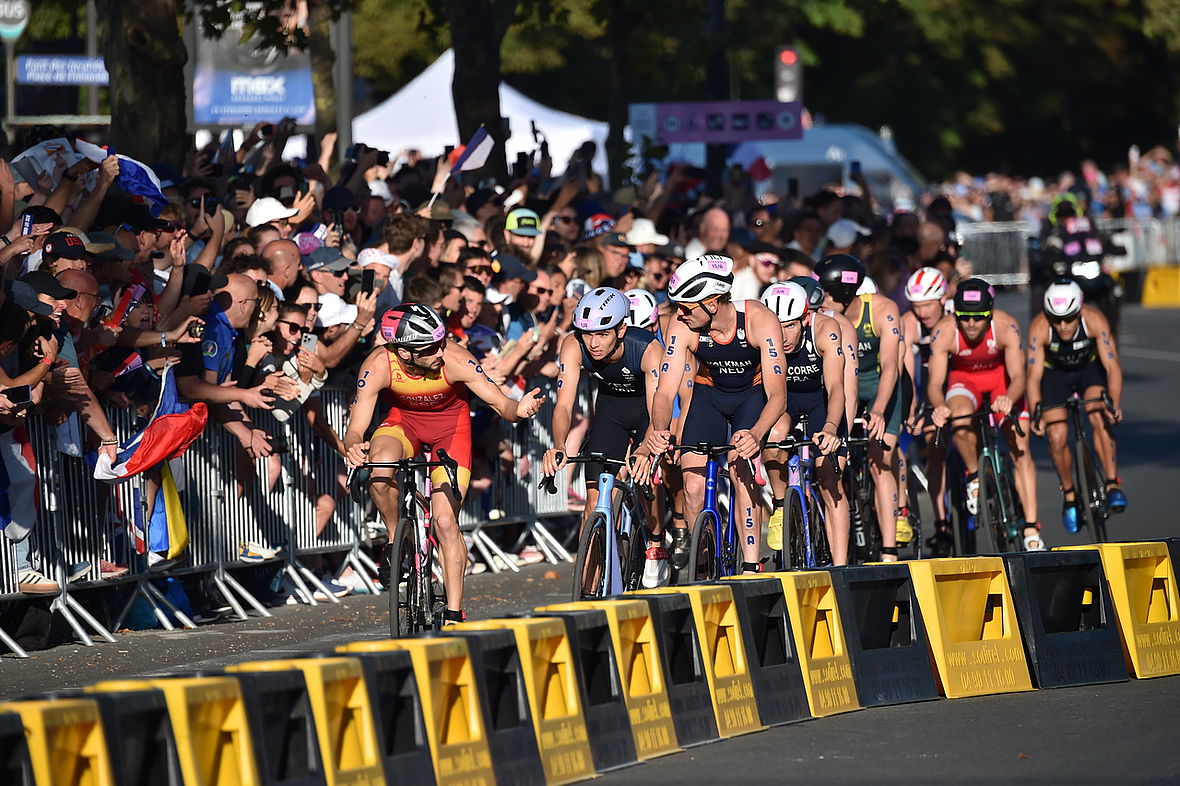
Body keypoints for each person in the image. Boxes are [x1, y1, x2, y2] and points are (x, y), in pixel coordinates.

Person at [344, 304, 544, 624]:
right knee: (380, 468)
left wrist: (519, 410)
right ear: (405, 353)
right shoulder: (379, 364)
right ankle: (397, 539)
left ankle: (453, 610)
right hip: (403, 424)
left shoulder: (455, 358)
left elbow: (499, 401)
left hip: (451, 431)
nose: (441, 350)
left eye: (442, 341)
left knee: (445, 522)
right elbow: (355, 428)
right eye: (430, 347)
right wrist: (353, 447)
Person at [637, 254, 787, 574]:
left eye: (686, 307)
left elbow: (777, 395)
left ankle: (750, 563)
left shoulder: (760, 320)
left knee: (739, 469)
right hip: (709, 396)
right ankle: (704, 564)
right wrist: (660, 428)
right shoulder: (683, 325)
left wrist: (756, 434)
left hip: (751, 396)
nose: (678, 313)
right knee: (692, 485)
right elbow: (665, 391)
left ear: (712, 303)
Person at [542, 287, 666, 586]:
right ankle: (586, 591)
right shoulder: (574, 345)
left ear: (621, 329)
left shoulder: (647, 349)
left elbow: (657, 411)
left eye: (602, 334)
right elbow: (563, 405)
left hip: (646, 415)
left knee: (644, 476)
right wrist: (559, 444)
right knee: (594, 504)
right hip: (610, 414)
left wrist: (645, 450)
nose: (593, 343)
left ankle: (656, 540)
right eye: (587, 334)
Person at [928, 278, 1044, 550]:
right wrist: (939, 406)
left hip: (1001, 382)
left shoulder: (1006, 326)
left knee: (1021, 446)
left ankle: (1031, 526)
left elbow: (1018, 377)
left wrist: (1008, 399)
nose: (970, 324)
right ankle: (974, 475)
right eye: (964, 318)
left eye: (978, 318)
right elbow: (935, 383)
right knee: (958, 417)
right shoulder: (944, 331)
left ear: (989, 314)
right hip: (964, 381)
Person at [817, 254, 905, 560]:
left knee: (879, 460)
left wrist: (879, 409)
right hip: (850, 385)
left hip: (884, 385)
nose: (822, 301)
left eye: (826, 295)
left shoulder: (882, 309)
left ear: (842, 293)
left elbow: (893, 367)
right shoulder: (827, 318)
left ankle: (889, 548)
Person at [1026, 278, 1126, 532]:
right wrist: (1037, 411)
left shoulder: (1094, 319)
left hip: (1087, 370)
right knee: (1057, 434)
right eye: (1056, 319)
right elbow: (1033, 376)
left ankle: (1113, 482)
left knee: (1097, 413)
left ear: (1079, 311)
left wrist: (1113, 403)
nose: (1062, 326)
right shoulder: (1039, 326)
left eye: (1069, 319)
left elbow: (1112, 366)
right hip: (1054, 374)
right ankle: (1070, 494)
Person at [760, 282, 849, 564]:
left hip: (819, 402)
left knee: (828, 479)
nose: (783, 336)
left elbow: (836, 387)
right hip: (784, 401)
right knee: (774, 437)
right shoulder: (762, 333)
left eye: (789, 326)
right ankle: (780, 505)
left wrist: (832, 428)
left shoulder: (825, 330)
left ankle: (841, 565)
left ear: (804, 318)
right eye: (777, 326)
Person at [899, 267, 955, 555]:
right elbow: (908, 371)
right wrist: (912, 411)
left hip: (958, 379)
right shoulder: (909, 323)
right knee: (935, 447)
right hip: (928, 386)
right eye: (916, 306)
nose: (922, 313)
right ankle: (942, 521)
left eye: (928, 305)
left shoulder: (958, 316)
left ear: (943, 299)